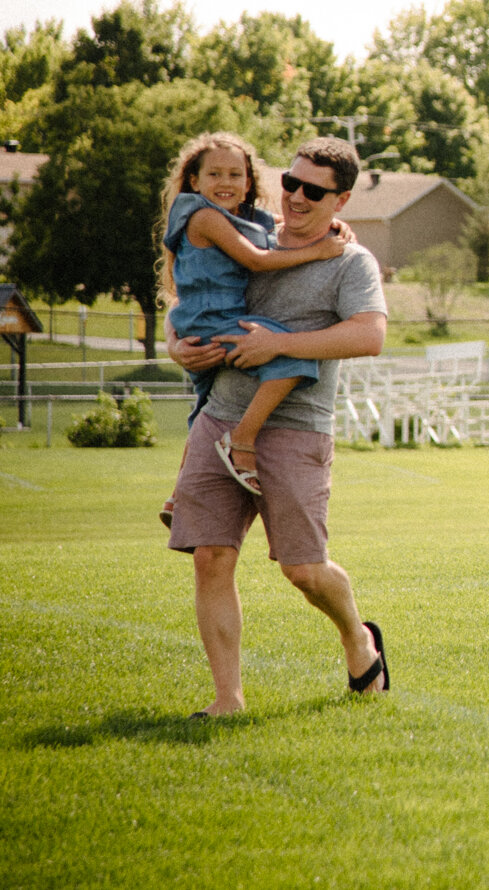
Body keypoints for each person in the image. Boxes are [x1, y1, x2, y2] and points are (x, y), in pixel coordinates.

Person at [166, 137, 391, 714]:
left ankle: (358, 638)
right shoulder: (250, 231)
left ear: (340, 201)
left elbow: (369, 335)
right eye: (290, 182)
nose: (295, 196)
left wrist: (280, 346)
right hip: (220, 416)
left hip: (296, 429)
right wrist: (175, 344)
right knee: (210, 557)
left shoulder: (350, 260)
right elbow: (190, 291)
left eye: (313, 190)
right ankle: (227, 700)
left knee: (304, 571)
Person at [155, 132, 343, 524]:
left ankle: (177, 496)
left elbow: (274, 223)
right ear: (194, 181)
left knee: (206, 408)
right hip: (213, 324)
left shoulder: (236, 215)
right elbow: (257, 260)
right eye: (215, 174)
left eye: (235, 175)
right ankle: (243, 438)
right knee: (292, 361)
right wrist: (319, 251)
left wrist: (329, 219)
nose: (225, 183)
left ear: (248, 181)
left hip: (205, 324)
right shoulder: (204, 217)